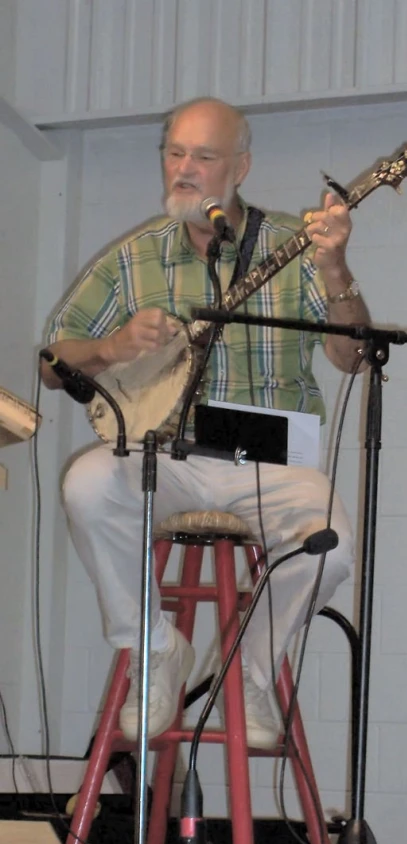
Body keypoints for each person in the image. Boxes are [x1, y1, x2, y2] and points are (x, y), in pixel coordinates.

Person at [41, 97, 370, 749]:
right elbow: (54, 362)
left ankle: (249, 668)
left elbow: (352, 356)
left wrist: (334, 266)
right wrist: (111, 347)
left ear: (239, 167)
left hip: (275, 457)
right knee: (86, 484)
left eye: (205, 156)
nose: (184, 169)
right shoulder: (133, 257)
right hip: (172, 454)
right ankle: (156, 649)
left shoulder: (292, 247)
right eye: (175, 153)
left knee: (330, 541)